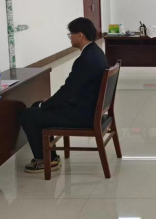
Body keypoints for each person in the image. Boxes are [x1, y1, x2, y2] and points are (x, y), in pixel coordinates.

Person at [19, 17, 108, 173]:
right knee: (37, 106)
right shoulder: (96, 52)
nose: (70, 38)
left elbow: (68, 91)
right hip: (91, 108)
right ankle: (50, 157)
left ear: (80, 35)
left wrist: (46, 104)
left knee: (28, 114)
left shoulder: (84, 60)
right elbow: (73, 90)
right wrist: (48, 103)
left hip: (83, 115)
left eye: (70, 34)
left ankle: (44, 160)